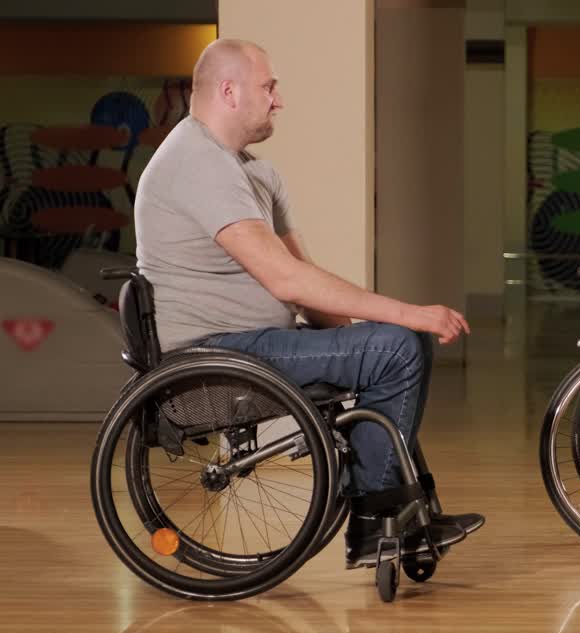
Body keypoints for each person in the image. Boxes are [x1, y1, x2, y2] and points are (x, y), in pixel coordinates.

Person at [133, 38, 482, 567]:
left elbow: (305, 278)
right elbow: (286, 282)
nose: (279, 99)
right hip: (218, 355)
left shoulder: (247, 170)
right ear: (229, 92)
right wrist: (407, 316)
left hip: (254, 343)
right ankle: (373, 522)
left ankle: (399, 514)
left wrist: (357, 341)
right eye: (269, 86)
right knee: (399, 345)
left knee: (391, 348)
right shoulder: (196, 164)